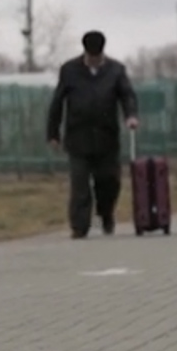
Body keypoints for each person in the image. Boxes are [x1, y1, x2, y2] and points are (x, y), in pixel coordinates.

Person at [46, 30, 139, 239]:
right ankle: (80, 226)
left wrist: (131, 115)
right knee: (80, 184)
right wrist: (53, 132)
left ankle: (106, 213)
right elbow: (57, 102)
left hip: (107, 137)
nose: (93, 62)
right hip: (78, 136)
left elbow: (127, 95)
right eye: (90, 58)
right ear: (85, 53)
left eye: (96, 59)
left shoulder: (116, 70)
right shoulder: (69, 70)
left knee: (109, 181)